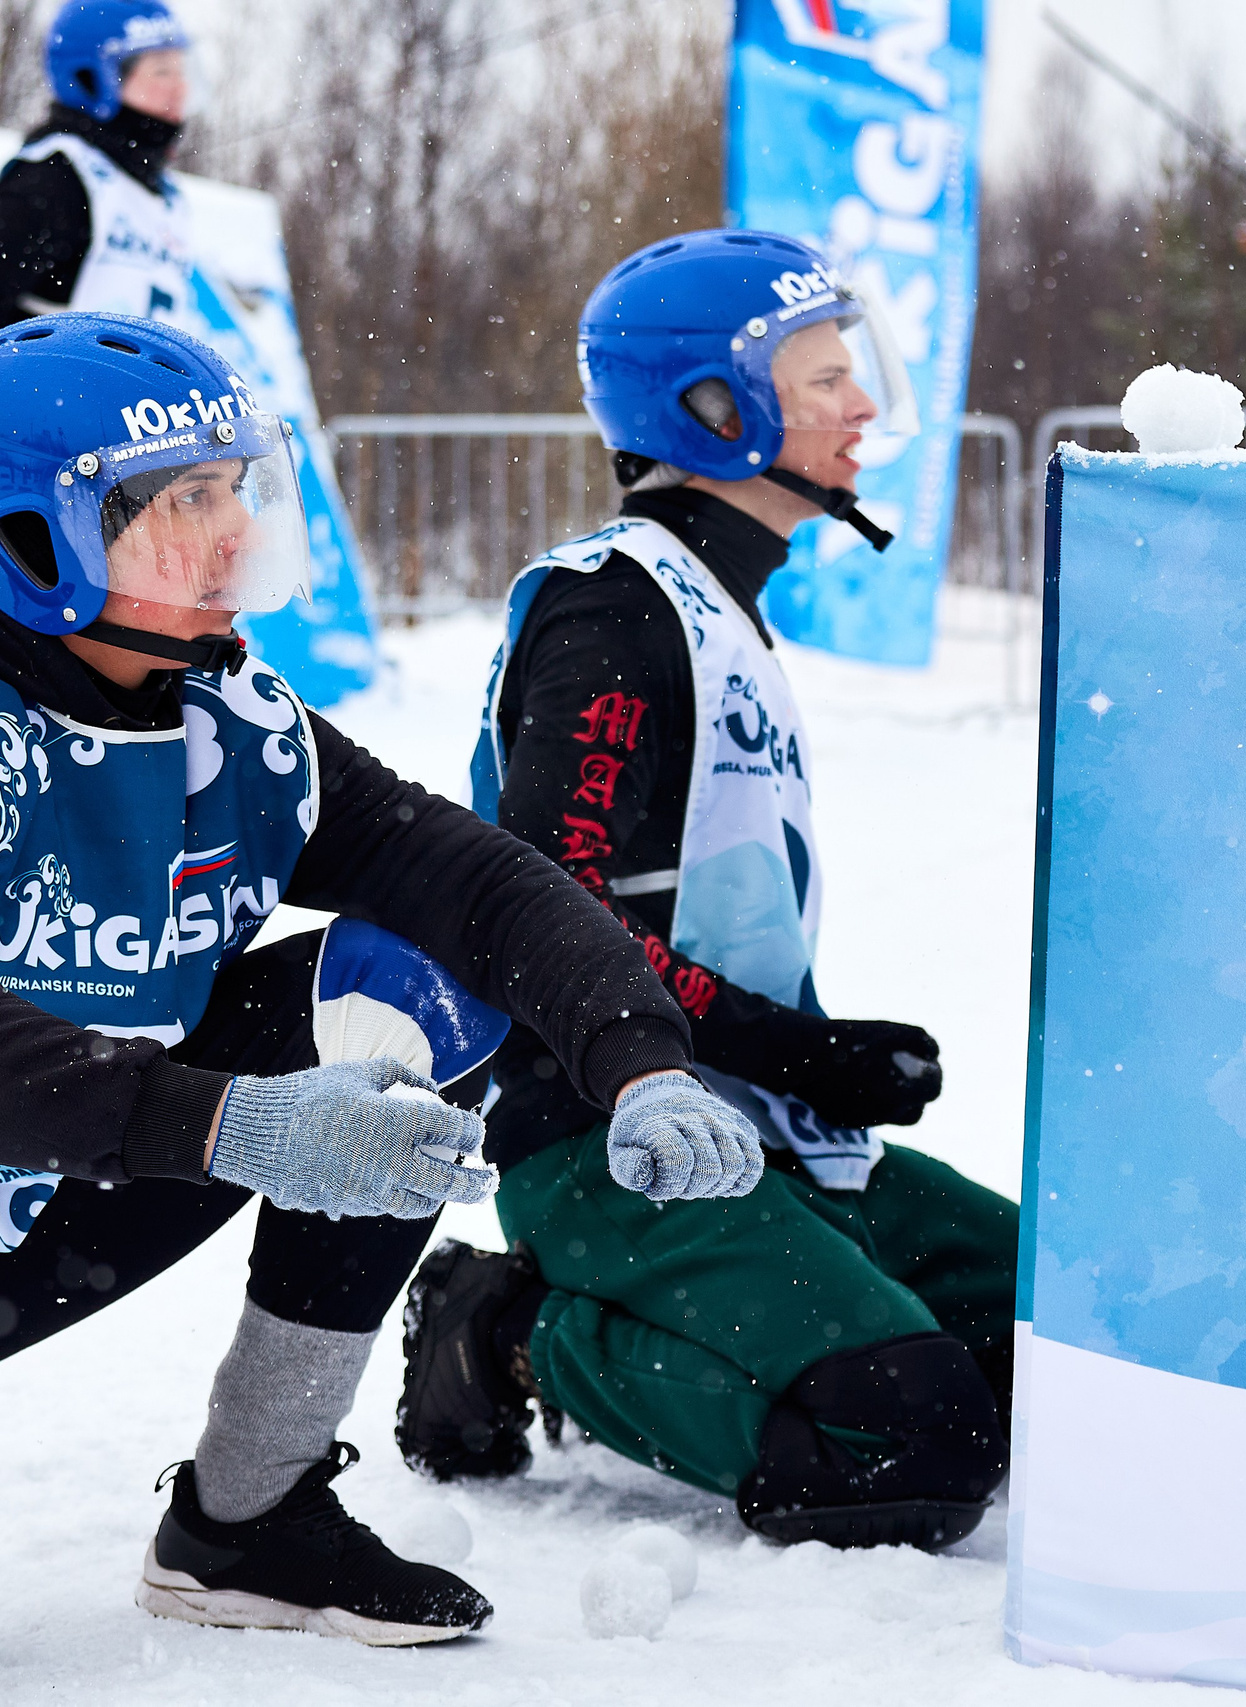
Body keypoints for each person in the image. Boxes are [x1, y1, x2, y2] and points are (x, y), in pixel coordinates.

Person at [0, 311, 764, 1704]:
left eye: (231, 489)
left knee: (418, 988)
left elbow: (480, 884)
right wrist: (239, 1123)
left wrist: (637, 1057)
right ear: (31, 535)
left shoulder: (225, 717)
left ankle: (250, 1517)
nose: (229, 533)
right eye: (175, 503)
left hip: (41, 1181)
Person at [393, 231, 1018, 1554]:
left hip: (765, 1128)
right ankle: (506, 1328)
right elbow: (549, 906)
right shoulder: (617, 608)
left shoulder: (719, 606)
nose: (862, 407)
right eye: (827, 376)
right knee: (907, 1437)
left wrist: (795, 1061)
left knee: (1070, 1340)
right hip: (613, 1139)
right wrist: (784, 1042)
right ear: (714, 411)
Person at [0, 0, 200, 371]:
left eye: (182, 70)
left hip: (141, 422)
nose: (180, 88)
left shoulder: (163, 194)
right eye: (161, 71)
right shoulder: (56, 178)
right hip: (55, 420)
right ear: (92, 77)